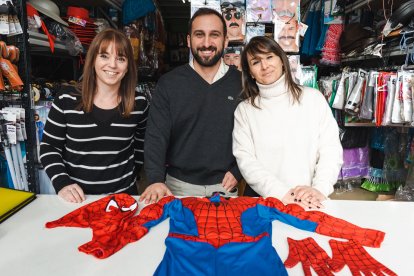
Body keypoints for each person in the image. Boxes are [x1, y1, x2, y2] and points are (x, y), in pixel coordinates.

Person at [142, 8, 243, 203]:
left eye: (214, 35)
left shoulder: (242, 83)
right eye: (199, 35)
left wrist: (238, 171)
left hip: (225, 187)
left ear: (225, 41)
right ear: (188, 41)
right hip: (177, 187)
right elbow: (156, 136)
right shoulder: (169, 84)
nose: (206, 43)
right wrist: (155, 179)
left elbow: (256, 135)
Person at [40, 28, 149, 203]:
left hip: (124, 198)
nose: (112, 65)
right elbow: (49, 147)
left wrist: (128, 175)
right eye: (104, 56)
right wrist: (62, 183)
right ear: (93, 60)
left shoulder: (139, 103)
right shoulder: (66, 99)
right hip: (78, 200)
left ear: (128, 66)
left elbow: (141, 147)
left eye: (121, 58)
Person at [233, 36, 342, 209]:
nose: (265, 66)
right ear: (250, 72)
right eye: (256, 62)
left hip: (311, 201)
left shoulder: (313, 99)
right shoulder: (245, 110)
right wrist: (283, 194)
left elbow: (330, 150)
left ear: (282, 61)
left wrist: (320, 188)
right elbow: (246, 161)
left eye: (269, 57)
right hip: (265, 202)